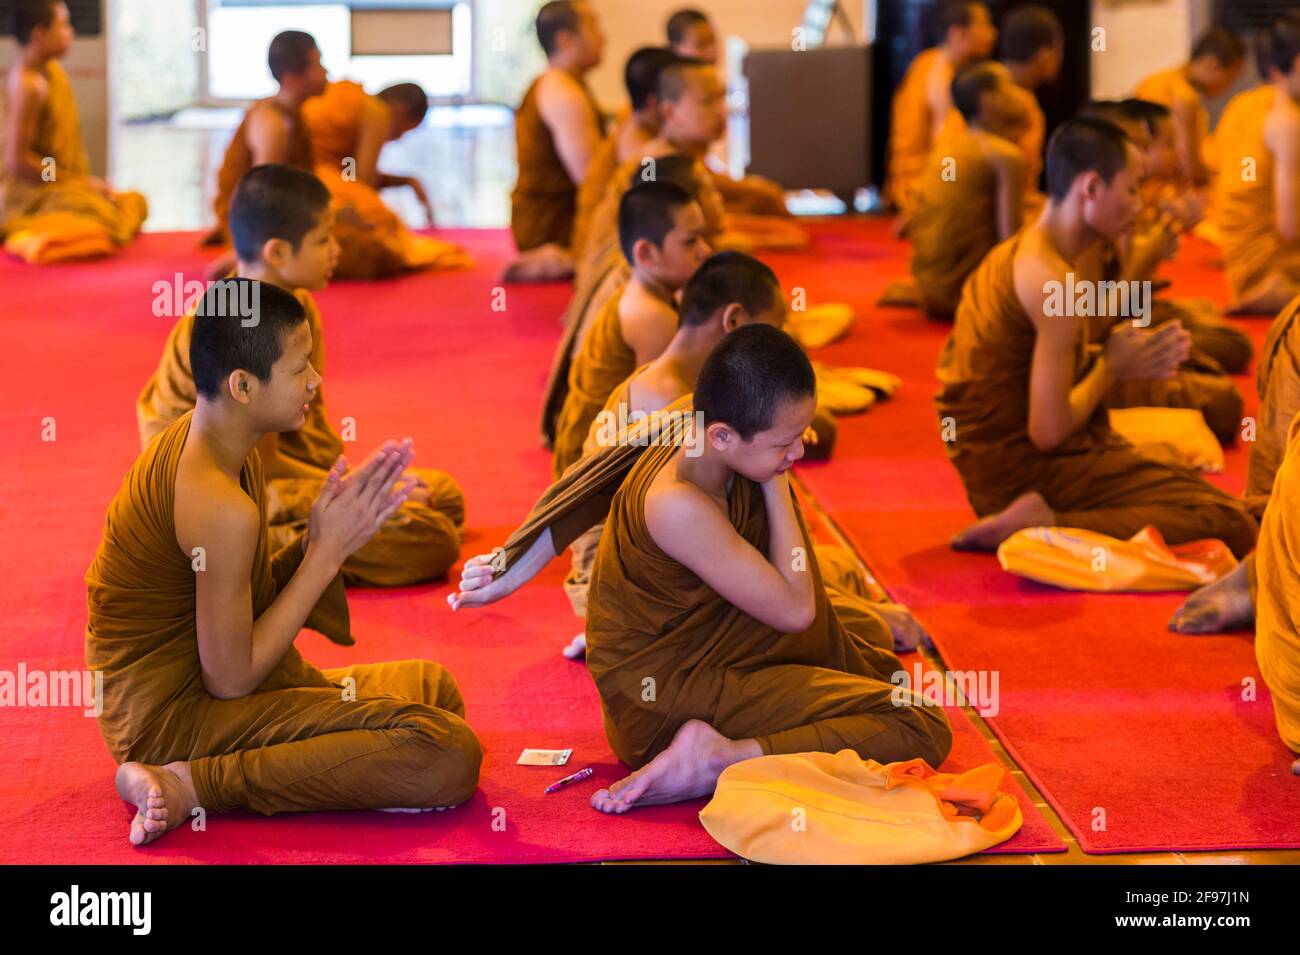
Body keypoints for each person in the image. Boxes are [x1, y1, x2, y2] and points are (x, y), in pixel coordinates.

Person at [451, 325, 951, 812]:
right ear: (724, 435)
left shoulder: (692, 421)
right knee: (916, 721)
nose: (799, 453)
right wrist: (776, 480)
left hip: (717, 648)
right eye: (785, 443)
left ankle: (741, 737)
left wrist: (512, 568)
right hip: (667, 701)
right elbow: (798, 612)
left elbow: (587, 488)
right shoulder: (677, 504)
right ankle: (720, 758)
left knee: (864, 640)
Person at [88, 278, 482, 846]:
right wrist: (326, 556)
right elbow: (231, 679)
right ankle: (194, 784)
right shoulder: (216, 504)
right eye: (301, 369)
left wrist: (312, 540)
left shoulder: (217, 442)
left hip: (200, 688)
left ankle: (236, 769)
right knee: (447, 753)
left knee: (432, 687)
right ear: (243, 385)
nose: (316, 381)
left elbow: (238, 612)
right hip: (172, 721)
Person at [934, 117, 1257, 558]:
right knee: (1229, 523)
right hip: (1028, 471)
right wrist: (1111, 367)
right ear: (1090, 187)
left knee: (1200, 488)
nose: (1139, 204)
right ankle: (1047, 522)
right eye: (1131, 189)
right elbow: (1048, 432)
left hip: (1004, 461)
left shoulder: (1027, 251)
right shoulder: (1052, 280)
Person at [138, 165, 466, 587]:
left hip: (285, 469)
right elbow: (263, 465)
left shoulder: (295, 305)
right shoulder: (245, 328)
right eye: (323, 239)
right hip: (223, 493)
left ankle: (308, 533)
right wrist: (359, 488)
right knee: (428, 537)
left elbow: (303, 428)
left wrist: (361, 484)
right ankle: (253, 546)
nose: (336, 251)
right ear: (276, 253)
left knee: (445, 496)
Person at [0, 0, 146, 262]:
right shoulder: (29, 85)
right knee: (104, 213)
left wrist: (80, 183)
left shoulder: (50, 72)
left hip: (55, 183)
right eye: (64, 25)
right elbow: (17, 161)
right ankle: (31, 232)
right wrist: (73, 183)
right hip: (30, 194)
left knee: (132, 202)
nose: (71, 33)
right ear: (40, 34)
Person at [908, 61, 1029, 320]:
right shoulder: (1005, 156)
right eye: (1010, 88)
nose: (1021, 96)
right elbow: (1009, 239)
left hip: (929, 288)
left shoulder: (947, 146)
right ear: (989, 101)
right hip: (966, 294)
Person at [883, 1, 997, 230]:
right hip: (921, 188)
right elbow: (945, 150)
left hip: (914, 182)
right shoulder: (940, 75)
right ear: (958, 33)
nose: (993, 33)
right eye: (985, 25)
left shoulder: (929, 62)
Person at [510, 0, 606, 253]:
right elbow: (592, 182)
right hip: (552, 229)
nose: (603, 37)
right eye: (594, 27)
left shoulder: (562, 84)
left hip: (547, 222)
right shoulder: (563, 92)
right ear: (565, 40)